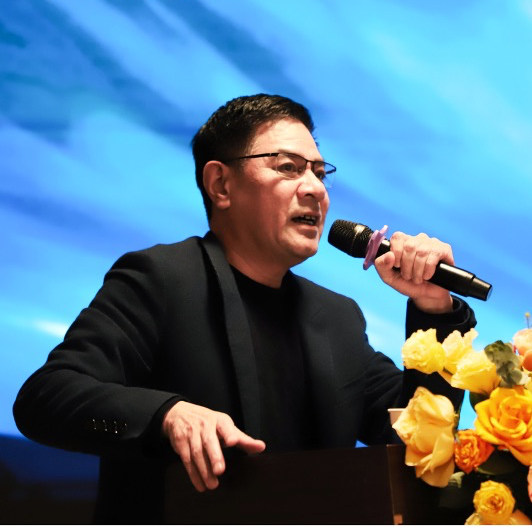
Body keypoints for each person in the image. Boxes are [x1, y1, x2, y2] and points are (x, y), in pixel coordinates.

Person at [13, 94, 477, 523]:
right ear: (221, 184)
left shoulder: (336, 317)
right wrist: (167, 415)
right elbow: (46, 398)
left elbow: (414, 435)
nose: (315, 189)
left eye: (320, 173)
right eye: (289, 168)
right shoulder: (162, 279)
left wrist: (433, 306)